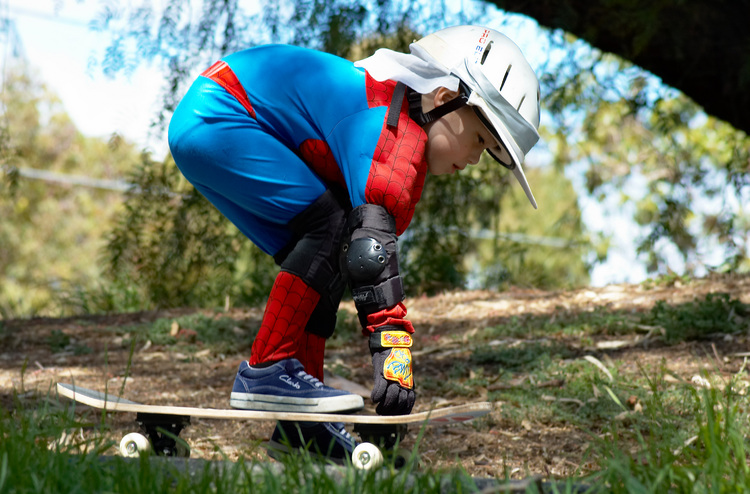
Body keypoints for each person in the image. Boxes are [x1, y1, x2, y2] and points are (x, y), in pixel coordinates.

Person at [167, 24, 541, 460]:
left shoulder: (394, 115)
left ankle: (301, 431)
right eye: (480, 138)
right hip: (224, 116)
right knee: (332, 234)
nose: (476, 159)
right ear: (443, 99)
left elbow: (352, 254)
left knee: (323, 258)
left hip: (209, 118)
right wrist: (394, 360)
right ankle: (266, 368)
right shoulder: (392, 133)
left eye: (490, 151)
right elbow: (372, 257)